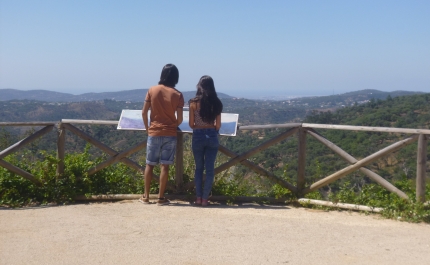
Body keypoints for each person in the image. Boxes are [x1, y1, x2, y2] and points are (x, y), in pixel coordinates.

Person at [140, 64, 184, 205]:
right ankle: (160, 198)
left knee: (149, 165)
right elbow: (181, 119)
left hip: (154, 131)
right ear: (175, 77)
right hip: (170, 133)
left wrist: (148, 128)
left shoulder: (152, 90)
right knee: (165, 166)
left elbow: (144, 112)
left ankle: (146, 196)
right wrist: (172, 125)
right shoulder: (178, 95)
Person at [189, 75, 223, 206]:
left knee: (198, 168)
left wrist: (199, 126)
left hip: (197, 136)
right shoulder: (216, 103)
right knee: (210, 170)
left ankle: (198, 198)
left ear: (199, 86)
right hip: (212, 135)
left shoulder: (193, 102)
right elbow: (218, 125)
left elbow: (191, 124)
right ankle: (204, 199)